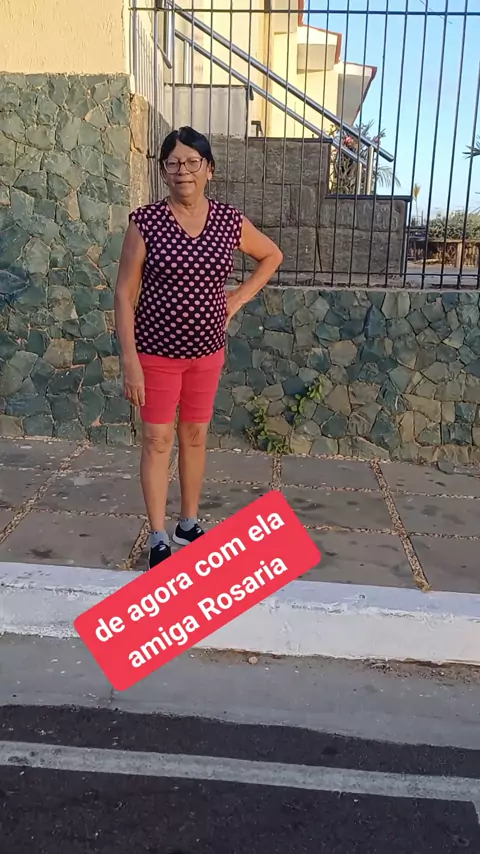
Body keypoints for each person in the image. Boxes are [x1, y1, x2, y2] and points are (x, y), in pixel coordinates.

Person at [114, 126, 283, 570]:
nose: (182, 171)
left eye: (192, 162)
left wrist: (237, 299)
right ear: (163, 171)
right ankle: (158, 534)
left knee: (194, 436)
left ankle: (188, 523)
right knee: (157, 440)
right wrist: (130, 360)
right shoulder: (145, 222)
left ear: (209, 169)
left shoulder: (228, 221)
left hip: (207, 353)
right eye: (173, 163)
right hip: (155, 354)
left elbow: (272, 256)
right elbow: (124, 295)